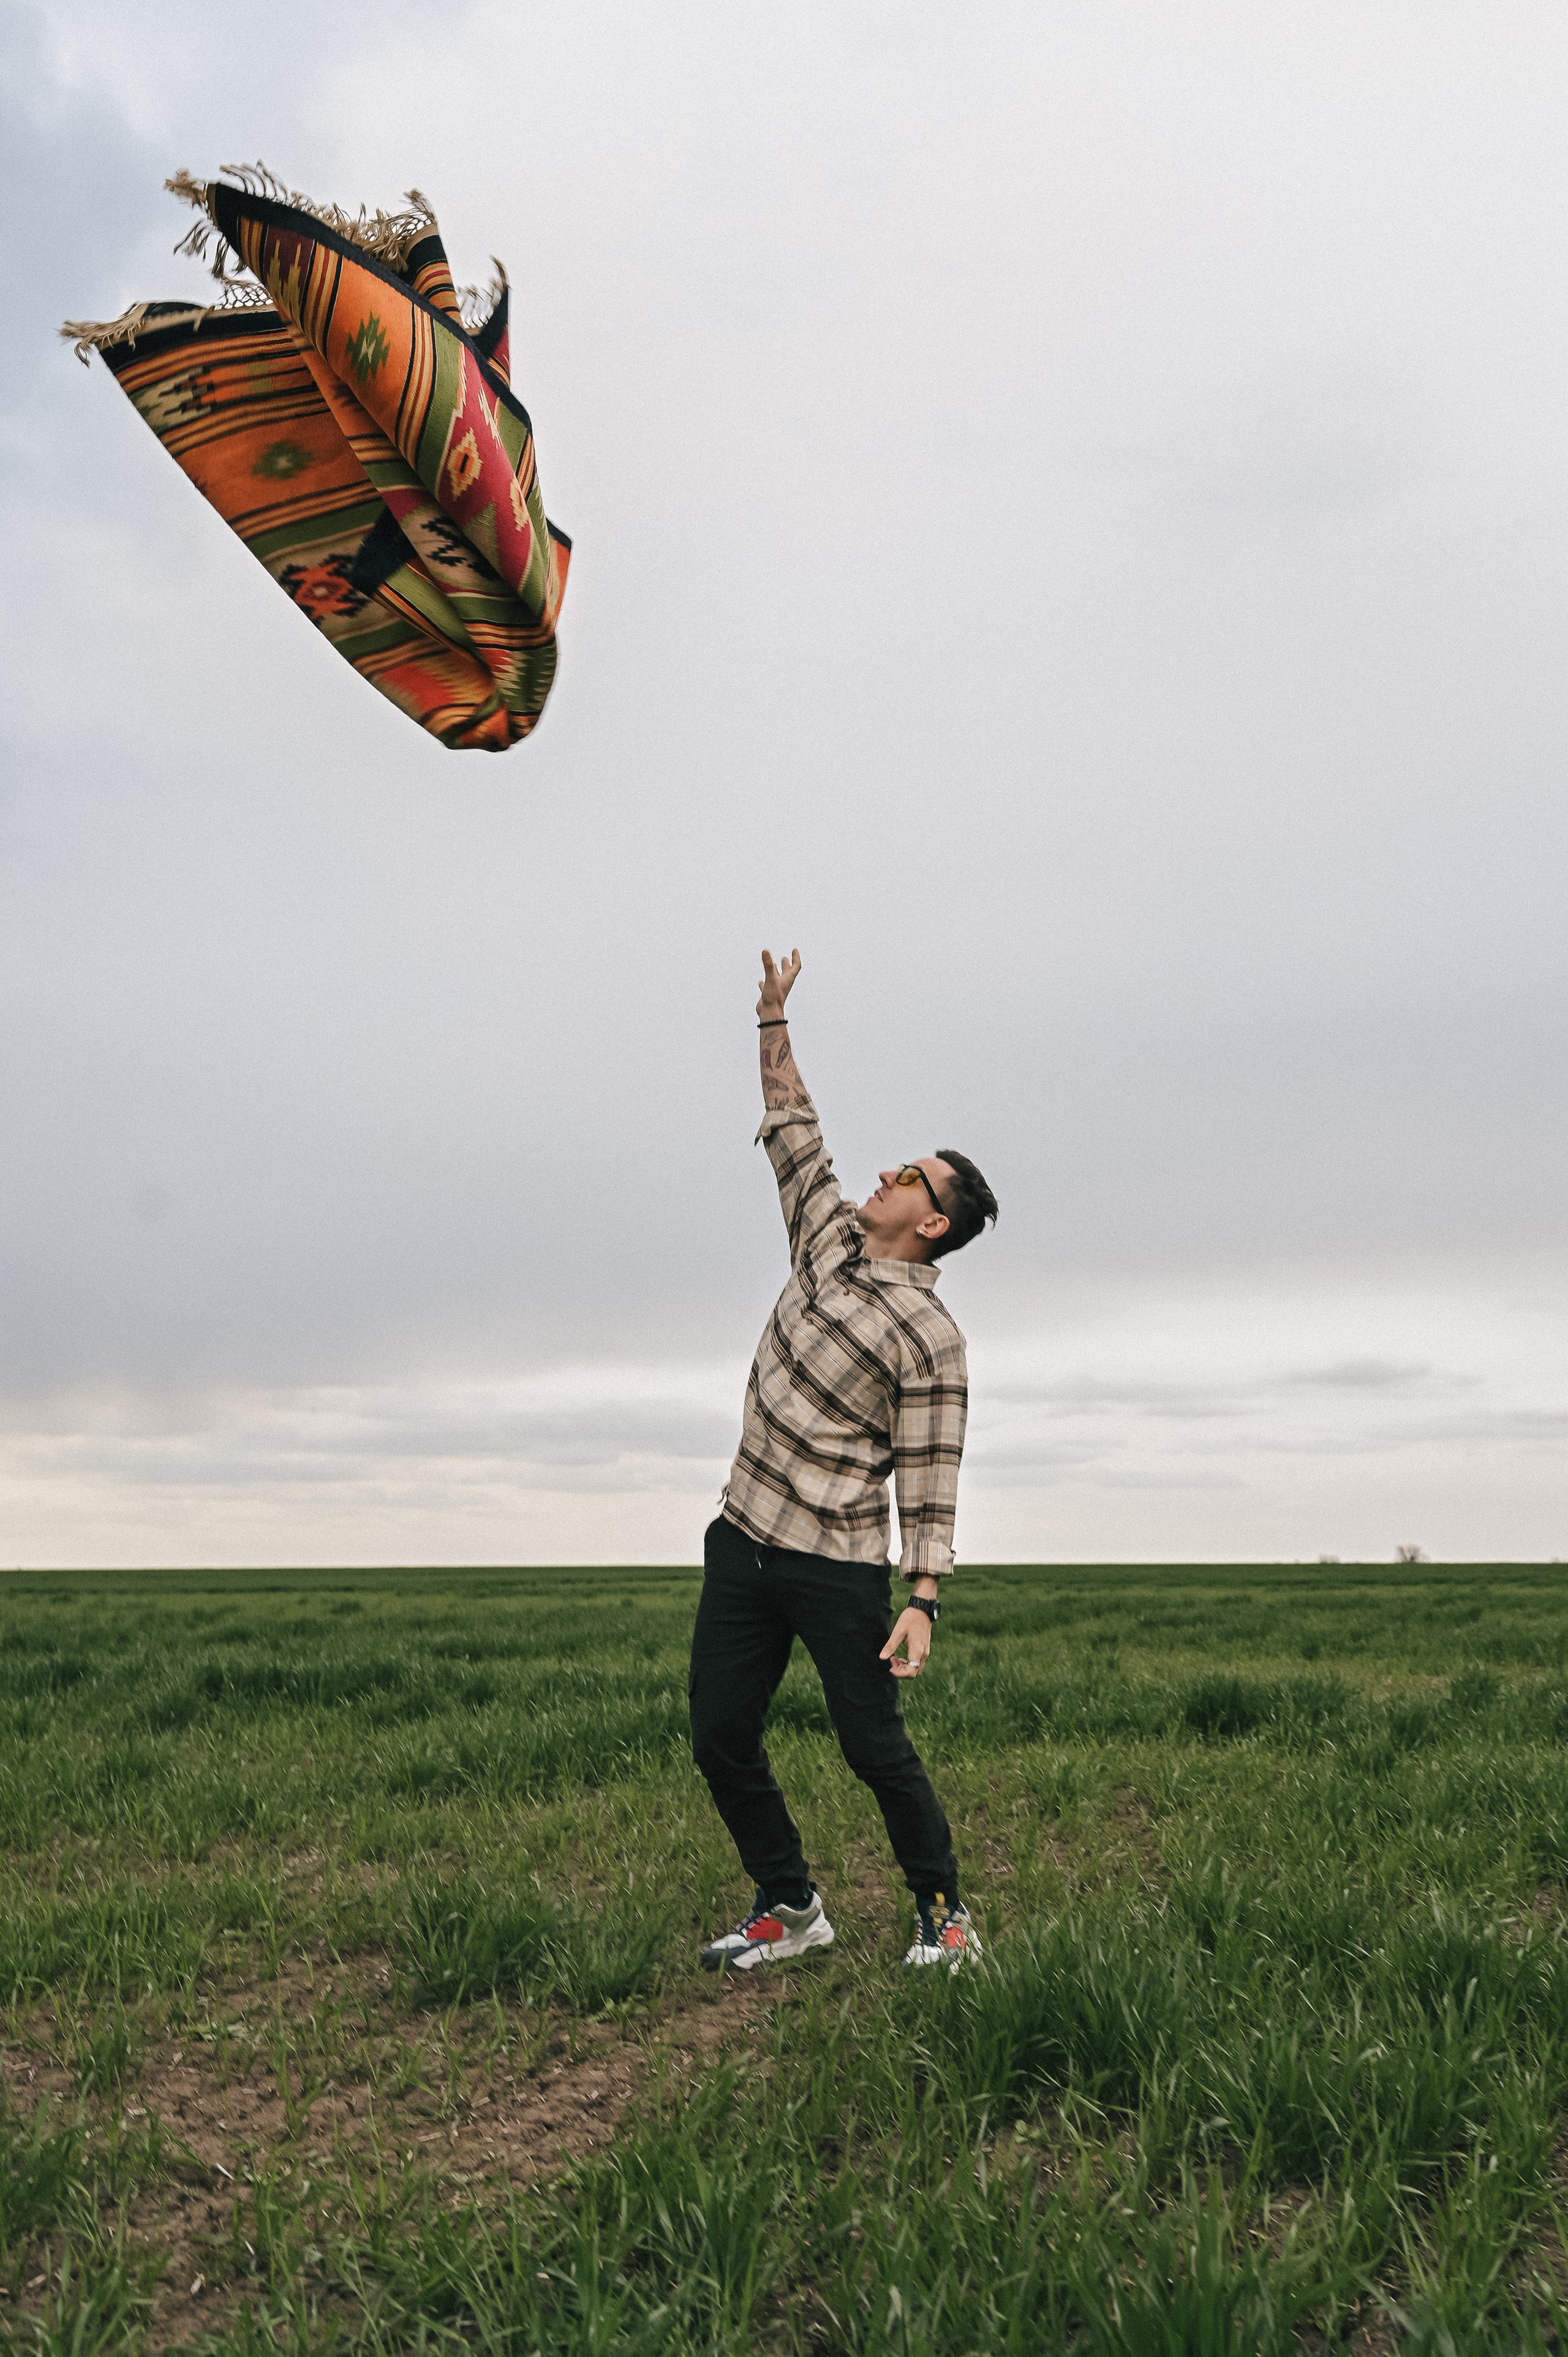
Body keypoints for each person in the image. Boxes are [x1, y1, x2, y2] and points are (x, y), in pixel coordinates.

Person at [690, 948, 998, 1974]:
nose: (885, 1175)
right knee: (719, 1734)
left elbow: (932, 1473)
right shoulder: (825, 1241)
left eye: (908, 1177)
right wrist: (771, 1021)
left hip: (835, 1566)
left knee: (873, 1748)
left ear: (933, 1222)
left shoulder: (932, 1337)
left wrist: (923, 1599)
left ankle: (944, 1916)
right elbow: (796, 1133)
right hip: (743, 1540)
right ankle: (791, 1903)